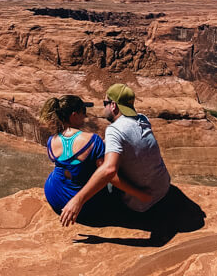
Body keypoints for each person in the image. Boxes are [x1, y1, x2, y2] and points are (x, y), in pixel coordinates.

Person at [59, 83, 171, 227]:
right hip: (163, 189)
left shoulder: (114, 129)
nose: (103, 108)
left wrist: (77, 200)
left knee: (96, 168)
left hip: (140, 205)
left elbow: (109, 170)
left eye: (105, 103)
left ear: (113, 105)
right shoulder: (143, 119)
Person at [40, 94, 148, 222]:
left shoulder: (51, 140)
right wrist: (140, 194)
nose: (85, 115)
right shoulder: (92, 141)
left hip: (54, 196)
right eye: (83, 112)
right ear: (74, 115)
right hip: (84, 207)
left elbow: (68, 161)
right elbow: (110, 176)